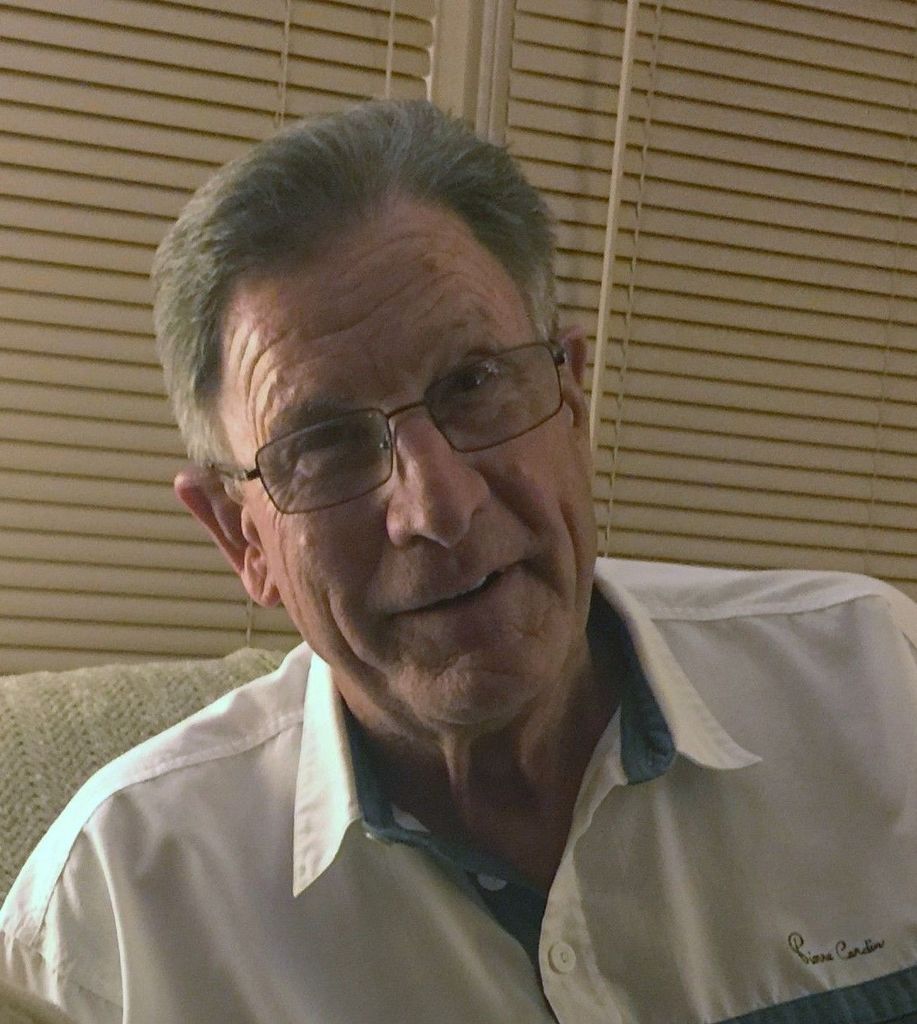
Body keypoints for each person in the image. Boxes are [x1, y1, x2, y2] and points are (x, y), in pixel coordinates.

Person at [2, 99, 916, 1024]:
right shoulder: (109, 923)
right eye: (324, 445)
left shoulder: (877, 686)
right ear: (241, 538)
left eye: (474, 384)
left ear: (570, 400)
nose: (438, 507)